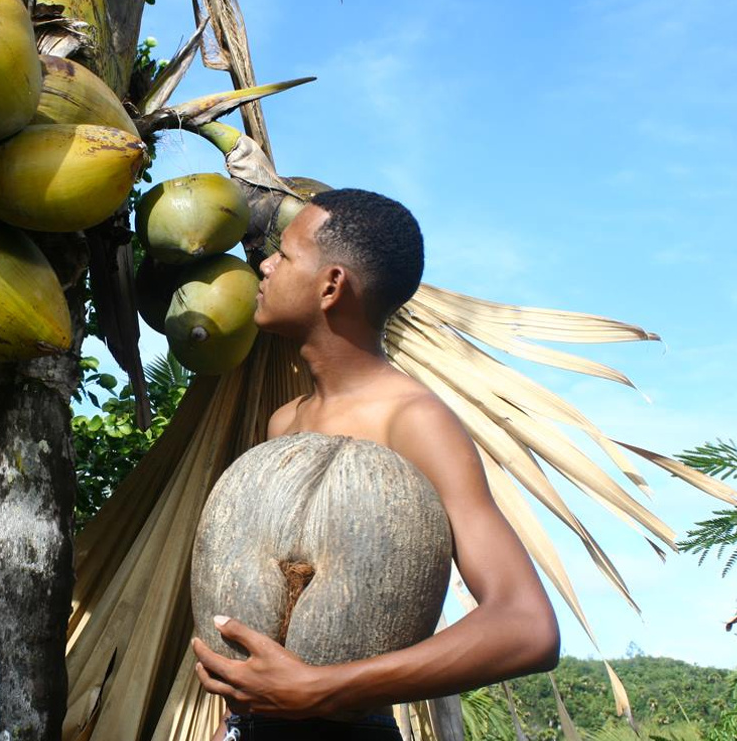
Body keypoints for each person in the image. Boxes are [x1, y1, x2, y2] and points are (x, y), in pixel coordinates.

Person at [191, 189, 560, 740]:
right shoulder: (283, 423)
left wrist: (321, 688)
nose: (263, 265)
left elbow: (526, 626)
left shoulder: (413, 421)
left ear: (332, 286)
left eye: (285, 255)